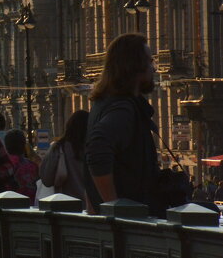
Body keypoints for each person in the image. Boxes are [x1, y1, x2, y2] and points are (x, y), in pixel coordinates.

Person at [84, 33, 162, 215]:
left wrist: (94, 206)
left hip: (120, 225)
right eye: (150, 61)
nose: (154, 68)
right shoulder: (123, 108)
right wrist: (115, 207)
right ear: (135, 66)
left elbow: (89, 161)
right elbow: (97, 148)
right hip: (131, 226)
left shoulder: (104, 103)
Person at [39, 109, 88, 205]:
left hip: (64, 204)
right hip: (92, 206)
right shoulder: (95, 148)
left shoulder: (59, 148)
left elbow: (46, 179)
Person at [4, 130, 39, 203]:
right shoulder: (33, 166)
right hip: (30, 204)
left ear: (6, 146)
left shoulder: (5, 164)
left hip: (9, 203)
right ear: (24, 145)